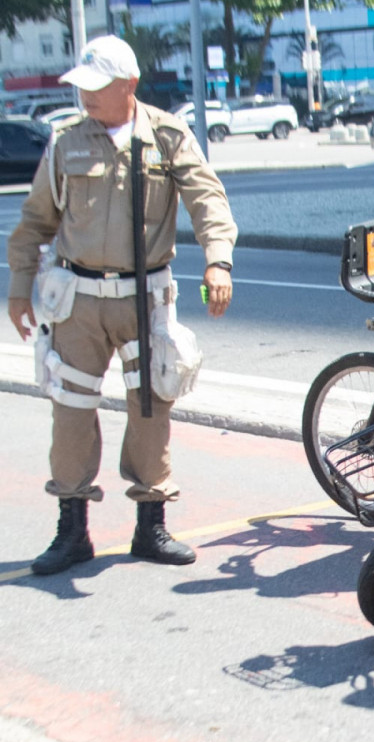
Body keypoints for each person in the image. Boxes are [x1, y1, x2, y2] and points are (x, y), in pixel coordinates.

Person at [6, 36, 237, 576]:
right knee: (70, 411)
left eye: (95, 87)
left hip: (144, 298)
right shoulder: (66, 141)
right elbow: (35, 220)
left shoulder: (167, 135)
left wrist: (218, 260)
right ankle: (72, 530)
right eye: (80, 86)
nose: (85, 97)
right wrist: (20, 288)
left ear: (128, 85)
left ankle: (150, 526)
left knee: (151, 410)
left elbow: (208, 199)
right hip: (78, 300)